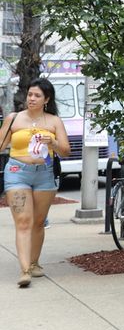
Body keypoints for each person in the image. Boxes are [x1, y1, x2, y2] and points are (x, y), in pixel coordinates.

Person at [0, 78, 70, 287]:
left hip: (44, 173)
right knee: (23, 222)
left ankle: (34, 262)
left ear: (46, 99)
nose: (31, 98)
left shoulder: (53, 121)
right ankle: (24, 271)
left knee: (39, 222)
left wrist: (53, 142)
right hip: (17, 172)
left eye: (37, 95)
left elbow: (65, 151)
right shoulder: (14, 119)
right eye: (30, 94)